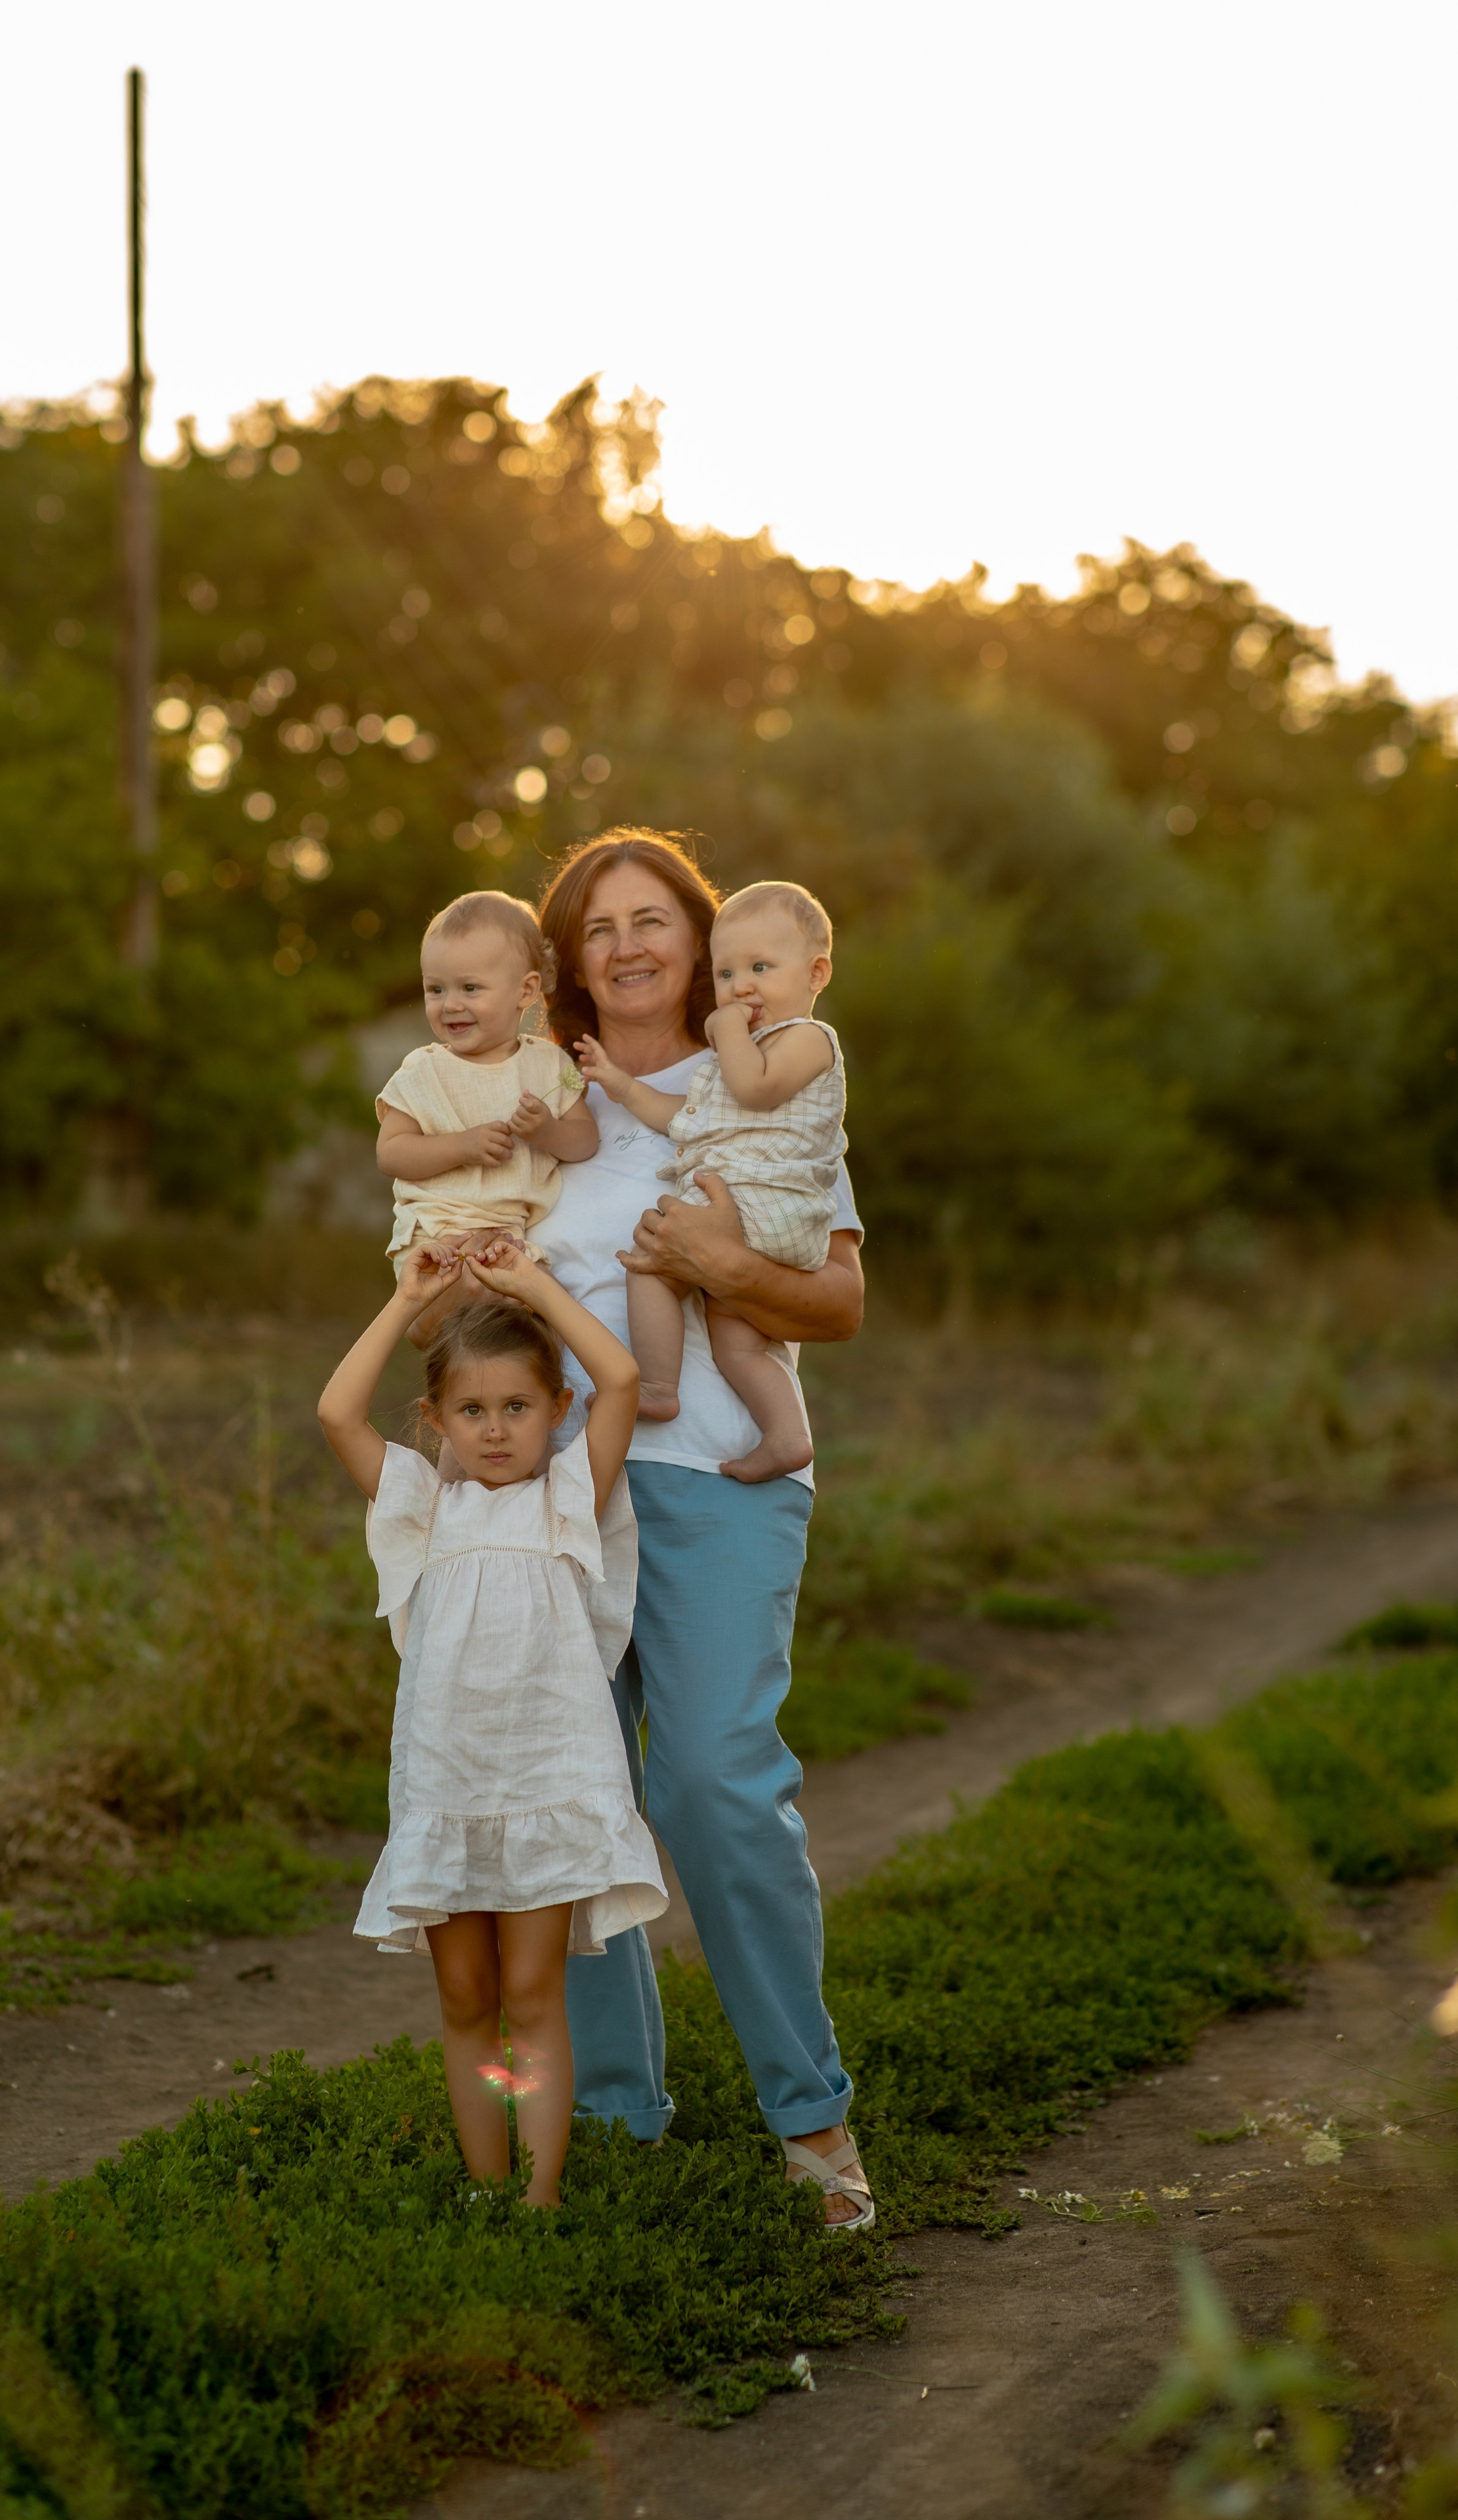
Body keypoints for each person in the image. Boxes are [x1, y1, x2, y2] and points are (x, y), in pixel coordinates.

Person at [530, 828, 876, 2233]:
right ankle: (614, 2120)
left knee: (716, 1788)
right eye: (595, 926)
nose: (624, 945)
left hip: (718, 1470)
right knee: (573, 1797)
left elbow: (836, 1303)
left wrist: (717, 1263)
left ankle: (813, 2123)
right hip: (554, 1488)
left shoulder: (770, 1079)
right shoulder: (537, 1103)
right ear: (570, 960)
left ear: (700, 937)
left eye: (650, 918)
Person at [316, 1240, 666, 2210]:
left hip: (546, 1786)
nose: (497, 1430)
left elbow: (625, 1376)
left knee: (533, 1999)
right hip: (447, 1787)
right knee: (466, 2001)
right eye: (472, 1411)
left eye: (519, 1407)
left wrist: (534, 1288)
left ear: (557, 1411)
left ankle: (541, 2199)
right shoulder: (424, 1509)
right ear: (436, 1421)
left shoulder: (567, 1500)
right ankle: (485, 2189)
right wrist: (406, 1299)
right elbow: (337, 1412)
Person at [575, 879, 844, 1482]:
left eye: (760, 967)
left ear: (816, 973)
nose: (741, 987)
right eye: (726, 975)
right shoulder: (733, 1062)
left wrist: (724, 1033)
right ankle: (785, 1434)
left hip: (767, 1206)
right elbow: (686, 1121)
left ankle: (657, 1386)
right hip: (759, 1215)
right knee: (738, 1341)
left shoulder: (807, 1040)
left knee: (649, 1260)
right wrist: (619, 1086)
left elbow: (754, 1087)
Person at [375, 890, 596, 1334]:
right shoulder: (424, 1069)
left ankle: (563, 1398)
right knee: (463, 1338)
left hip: (512, 1243)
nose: (450, 1004)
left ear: (526, 990)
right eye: (435, 989)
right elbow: (392, 1153)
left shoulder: (552, 1065)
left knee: (552, 1328)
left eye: (470, 988)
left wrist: (548, 1132)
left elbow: (586, 1140)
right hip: (437, 1238)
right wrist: (461, 1146)